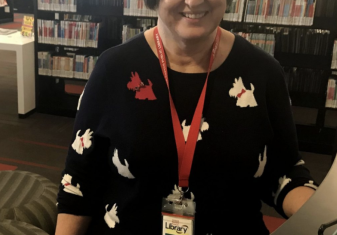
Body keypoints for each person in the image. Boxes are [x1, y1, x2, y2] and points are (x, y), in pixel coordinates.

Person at [55, 0, 318, 234]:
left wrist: (324, 215)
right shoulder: (114, 68)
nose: (193, 2)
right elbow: (80, 181)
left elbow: (284, 170)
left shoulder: (264, 73)